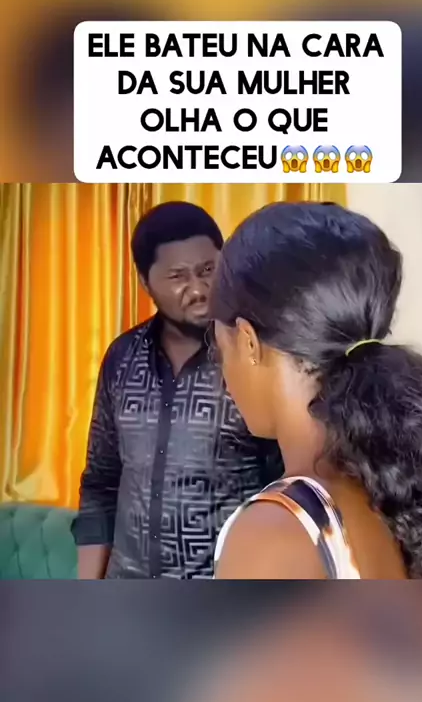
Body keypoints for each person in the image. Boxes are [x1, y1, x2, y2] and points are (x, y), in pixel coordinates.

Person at [209, 201, 422, 579]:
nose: (223, 378)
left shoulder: (276, 532)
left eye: (219, 349)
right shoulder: (390, 495)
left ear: (248, 342)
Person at [71, 201, 283, 579]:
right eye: (177, 276)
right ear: (145, 282)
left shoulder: (253, 357)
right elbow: (101, 482)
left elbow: (284, 489)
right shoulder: (122, 358)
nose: (198, 289)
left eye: (208, 270)